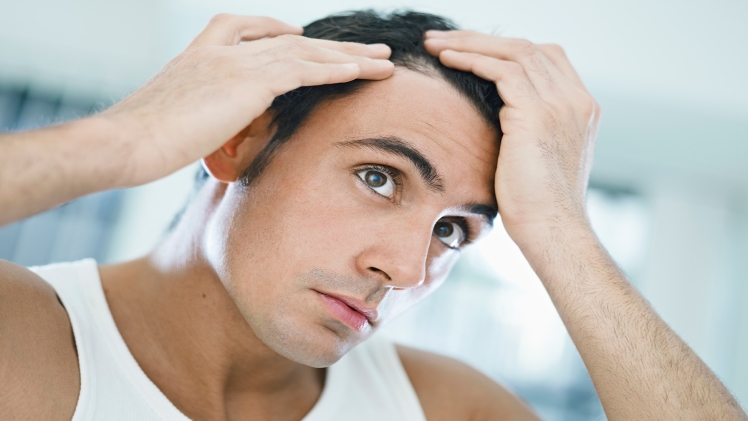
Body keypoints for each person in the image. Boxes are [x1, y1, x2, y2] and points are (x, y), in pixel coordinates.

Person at [0, 9, 745, 421]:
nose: (406, 269)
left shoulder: (445, 410)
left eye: (452, 230)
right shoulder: (26, 338)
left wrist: (561, 230)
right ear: (235, 142)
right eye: (379, 177)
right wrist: (126, 139)